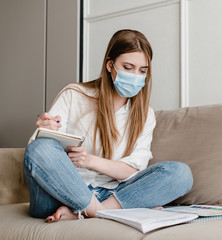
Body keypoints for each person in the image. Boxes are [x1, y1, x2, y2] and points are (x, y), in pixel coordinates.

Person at [23, 29, 193, 223]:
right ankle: (100, 211)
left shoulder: (145, 115)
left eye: (143, 70)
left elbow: (132, 170)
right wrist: (46, 130)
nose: (136, 76)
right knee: (40, 147)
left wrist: (89, 161)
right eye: (128, 67)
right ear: (110, 65)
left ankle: (90, 211)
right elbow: (39, 156)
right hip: (60, 193)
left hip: (112, 195)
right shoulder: (74, 94)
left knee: (180, 174)